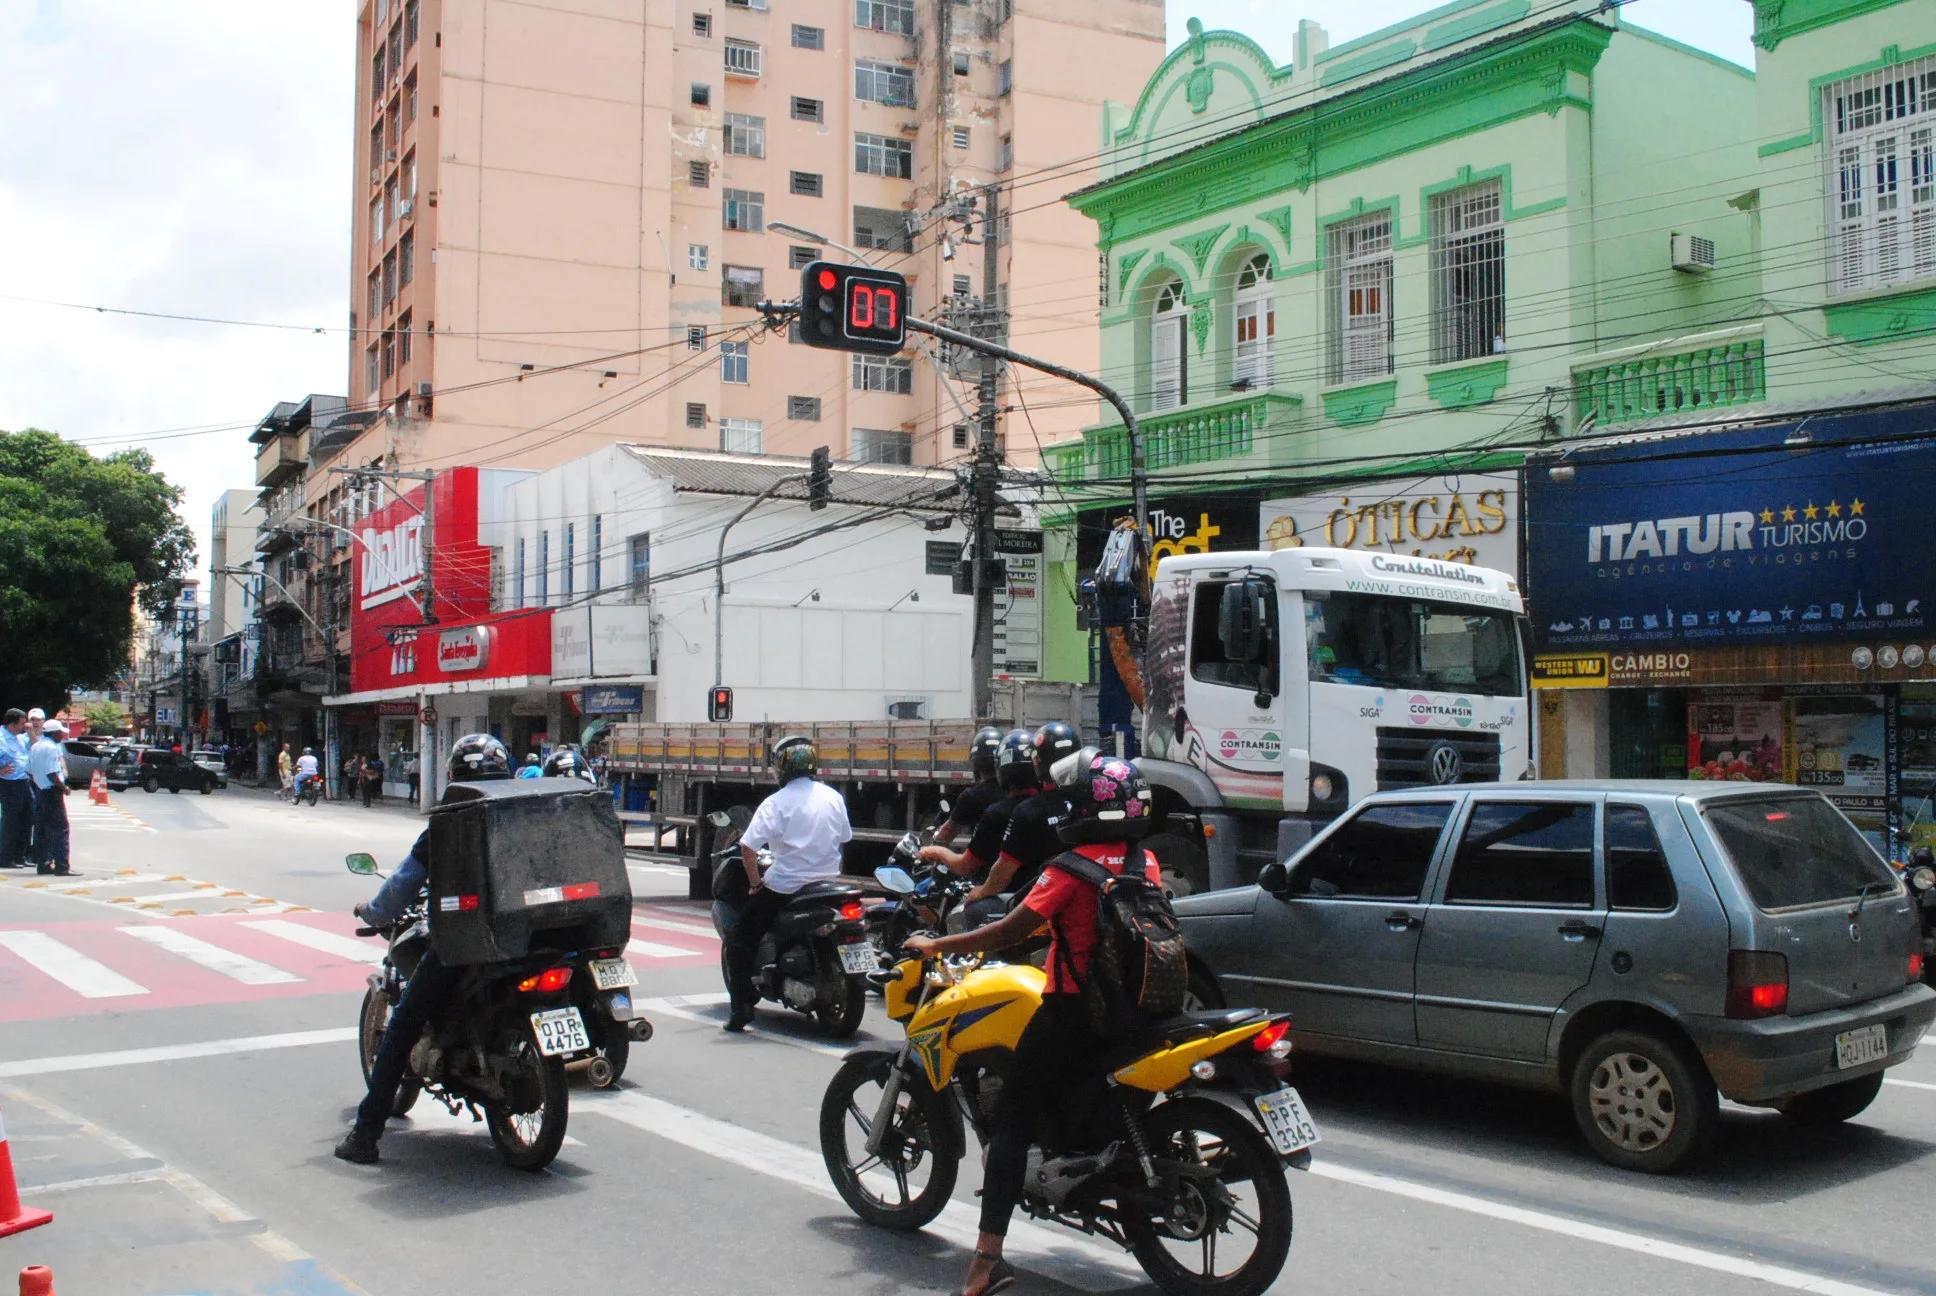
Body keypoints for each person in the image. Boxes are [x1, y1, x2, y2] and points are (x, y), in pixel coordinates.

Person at [904, 754, 1161, 1296]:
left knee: (1010, 1126)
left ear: (1088, 806)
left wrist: (937, 944)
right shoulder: (1146, 861)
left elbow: (1007, 932)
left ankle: (985, 1261)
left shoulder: (1069, 868)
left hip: (1073, 1012)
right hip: (1135, 1010)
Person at [335, 732, 515, 1165]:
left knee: (400, 1031)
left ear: (455, 776)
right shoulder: (525, 812)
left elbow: (398, 889)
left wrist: (373, 912)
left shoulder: (449, 823)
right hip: (533, 938)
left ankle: (365, 1136)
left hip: (469, 944)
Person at [722, 735, 852, 1033]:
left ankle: (740, 1009)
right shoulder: (833, 797)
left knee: (741, 939)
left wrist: (755, 884)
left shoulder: (776, 802)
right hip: (827, 883)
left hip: (787, 886)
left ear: (781, 768)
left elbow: (748, 848)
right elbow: (845, 837)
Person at [969, 721, 1081, 903]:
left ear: (1037, 762)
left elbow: (1002, 871)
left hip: (1043, 902)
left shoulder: (1028, 811)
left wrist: (982, 892)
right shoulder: (1088, 801)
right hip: (1087, 895)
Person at [919, 730, 1036, 884]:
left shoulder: (992, 812)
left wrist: (935, 851)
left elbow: (967, 866)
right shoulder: (1044, 805)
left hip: (996, 885)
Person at [934, 726, 1005, 847]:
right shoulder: (1018, 794)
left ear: (976, 763)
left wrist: (929, 852)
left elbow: (947, 833)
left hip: (982, 862)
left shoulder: (971, 797)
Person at [28, 720, 72, 876]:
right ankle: (62, 865)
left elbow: (29, 770)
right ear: (54, 733)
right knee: (60, 829)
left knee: (42, 830)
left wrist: (39, 783)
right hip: (52, 792)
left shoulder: (35, 746)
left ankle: (43, 864)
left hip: (40, 791)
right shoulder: (52, 748)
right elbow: (52, 773)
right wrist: (64, 788)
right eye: (60, 733)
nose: (62, 735)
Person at [0, 710, 33, 869]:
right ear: (12, 725)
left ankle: (21, 855)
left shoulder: (20, 737)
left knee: (27, 818)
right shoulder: (1, 738)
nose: (24, 726)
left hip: (23, 780)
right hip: (9, 783)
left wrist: (31, 731)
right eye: (22, 723)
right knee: (11, 820)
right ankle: (7, 857)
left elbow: (34, 745)